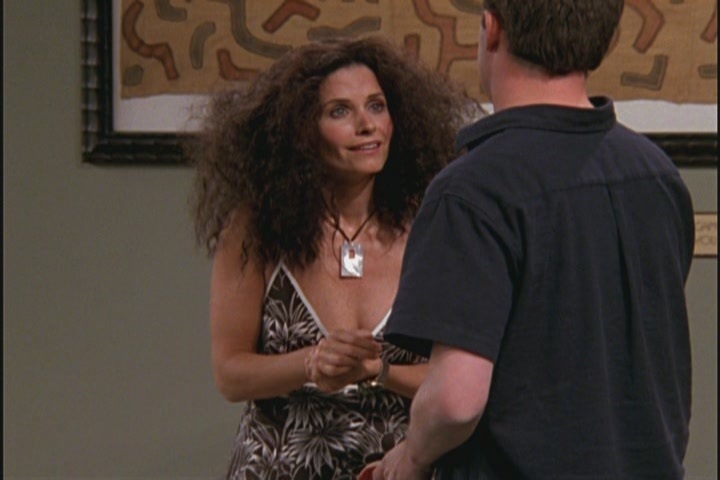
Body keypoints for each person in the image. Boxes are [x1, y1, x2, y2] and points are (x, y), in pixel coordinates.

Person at [374, 1, 695, 479]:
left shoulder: (472, 190)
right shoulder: (658, 176)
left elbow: (456, 399)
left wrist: (410, 458)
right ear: (606, 39)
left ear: (492, 28)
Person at [189, 35, 476, 479]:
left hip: (394, 471)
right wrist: (310, 363)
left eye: (376, 106)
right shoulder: (257, 228)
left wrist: (378, 370)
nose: (367, 125)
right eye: (340, 111)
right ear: (301, 131)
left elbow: (461, 378)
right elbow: (230, 374)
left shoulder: (431, 225)